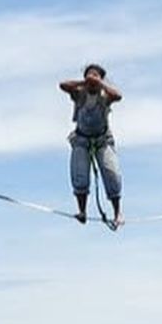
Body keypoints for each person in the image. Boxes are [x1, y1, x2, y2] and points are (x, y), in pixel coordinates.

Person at [60, 64, 122, 227]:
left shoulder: (105, 94)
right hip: (82, 140)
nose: (92, 78)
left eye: (96, 75)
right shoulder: (79, 92)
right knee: (80, 177)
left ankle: (117, 214)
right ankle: (82, 211)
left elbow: (118, 96)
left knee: (112, 174)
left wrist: (99, 83)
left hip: (102, 140)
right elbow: (63, 85)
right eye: (89, 75)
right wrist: (84, 82)